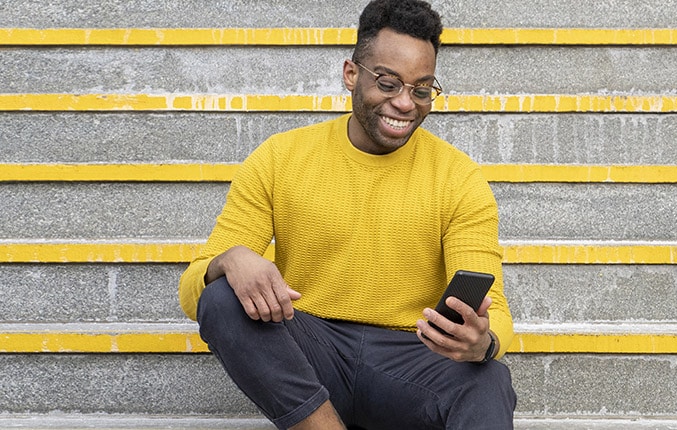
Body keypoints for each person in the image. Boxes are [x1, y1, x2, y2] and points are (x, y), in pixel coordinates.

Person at [177, 0, 516, 428]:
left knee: (489, 379)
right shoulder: (281, 158)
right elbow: (194, 294)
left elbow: (497, 311)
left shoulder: (459, 178)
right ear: (351, 74)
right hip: (310, 351)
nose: (405, 104)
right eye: (389, 83)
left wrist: (482, 342)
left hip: (408, 362)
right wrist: (227, 261)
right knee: (223, 296)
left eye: (421, 89)